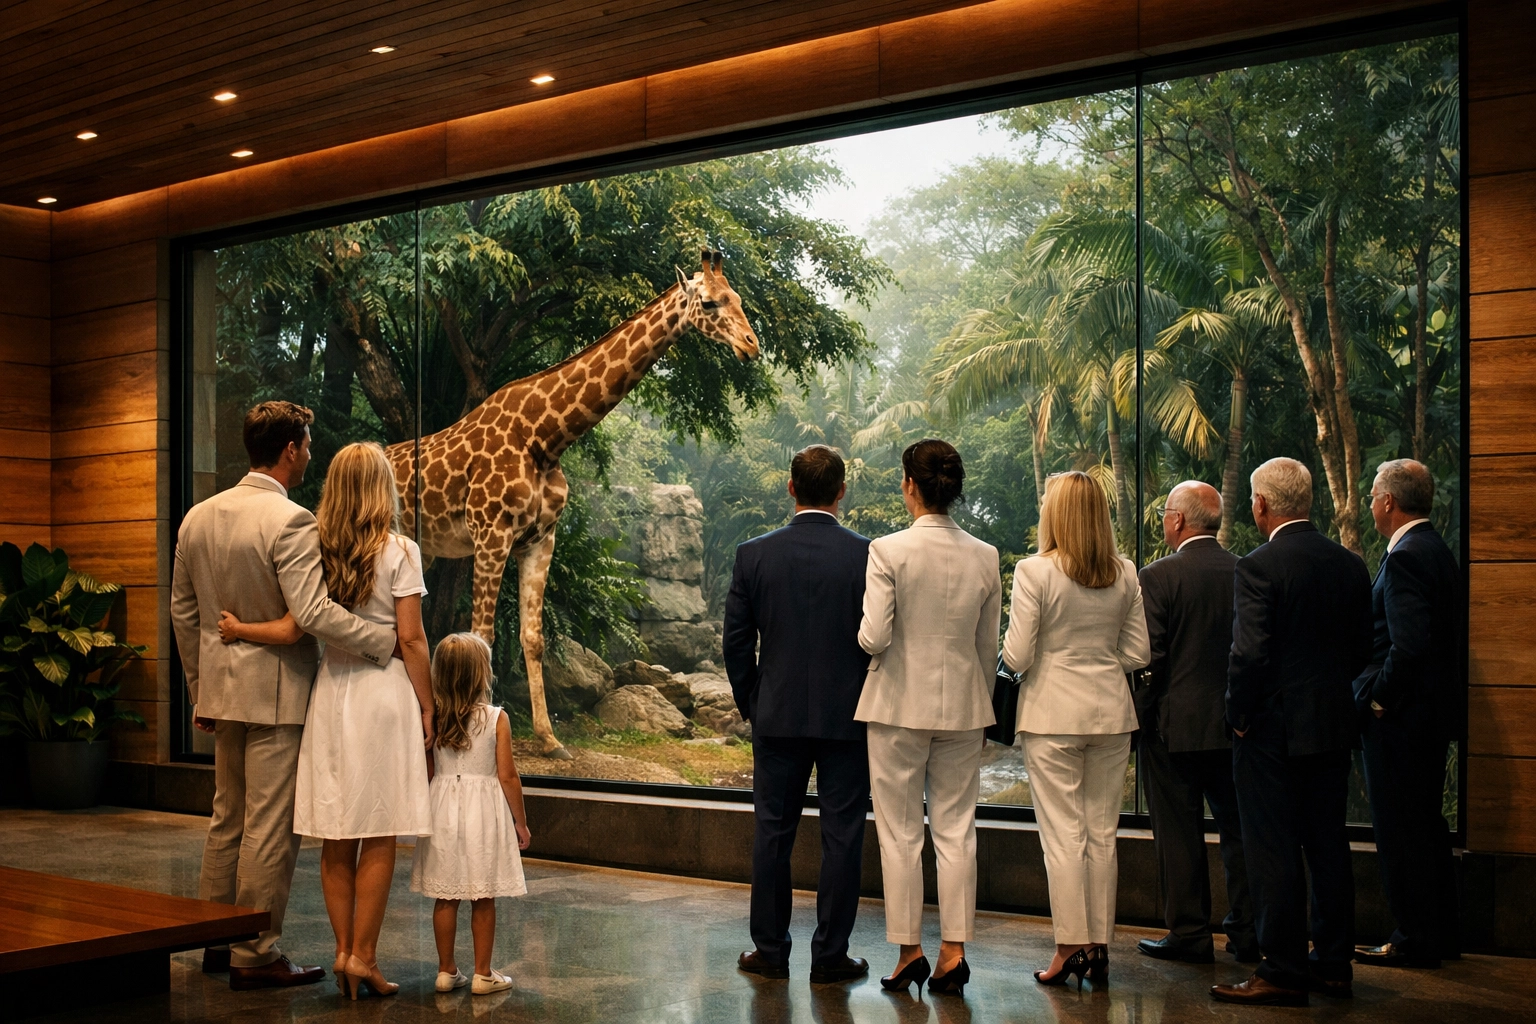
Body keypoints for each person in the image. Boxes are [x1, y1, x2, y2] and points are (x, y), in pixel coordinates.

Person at [170, 402, 398, 990]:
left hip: (220, 694)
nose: (310, 454)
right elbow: (314, 613)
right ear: (291, 448)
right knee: (269, 829)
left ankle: (213, 940)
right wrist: (383, 642)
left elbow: (185, 613)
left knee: (227, 821)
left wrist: (201, 690)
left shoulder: (197, 517)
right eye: (307, 444)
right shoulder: (291, 520)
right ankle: (256, 952)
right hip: (275, 697)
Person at [218, 441, 434, 999]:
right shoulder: (401, 551)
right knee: (380, 834)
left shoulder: (318, 549)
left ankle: (341, 954)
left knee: (338, 836)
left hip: (331, 695)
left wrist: (240, 629)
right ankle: (364, 956)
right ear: (382, 487)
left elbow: (299, 625)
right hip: (383, 697)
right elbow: (410, 638)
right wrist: (430, 707)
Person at [1211, 457, 1373, 1007]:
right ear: (1306, 501)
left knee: (1272, 849)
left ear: (1260, 504)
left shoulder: (1258, 565)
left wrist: (1238, 715)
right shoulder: (1350, 565)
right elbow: (1362, 650)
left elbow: (1249, 654)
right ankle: (1333, 965)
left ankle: (1280, 969)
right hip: (1330, 726)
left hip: (1270, 733)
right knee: (1328, 844)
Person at [723, 444, 873, 984]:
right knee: (843, 837)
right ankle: (831, 956)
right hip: (848, 718)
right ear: (840, 492)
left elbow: (736, 644)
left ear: (790, 488)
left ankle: (769, 950)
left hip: (777, 715)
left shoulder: (753, 554)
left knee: (772, 833)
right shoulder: (868, 555)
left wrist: (754, 702)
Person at [856, 438, 1001, 996]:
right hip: (965, 706)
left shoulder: (887, 550)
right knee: (957, 830)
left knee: (899, 835)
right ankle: (954, 951)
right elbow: (987, 649)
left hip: (896, 705)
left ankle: (908, 950)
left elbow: (874, 636)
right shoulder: (986, 555)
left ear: (910, 486)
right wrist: (978, 701)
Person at [1003, 470, 1150, 988]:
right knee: (1101, 836)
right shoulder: (1126, 572)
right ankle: (1099, 947)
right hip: (1111, 715)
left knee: (1062, 837)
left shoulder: (1033, 572)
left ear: (1055, 514)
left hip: (1051, 716)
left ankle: (1067, 949)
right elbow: (1137, 653)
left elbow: (1017, 655)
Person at [1135, 481, 1258, 965]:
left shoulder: (1159, 576)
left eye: (1165, 512)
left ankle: (1189, 933)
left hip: (1173, 730)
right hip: (1234, 729)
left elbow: (1150, 657)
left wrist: (1142, 723)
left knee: (1179, 834)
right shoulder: (1245, 570)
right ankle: (1248, 934)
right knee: (1240, 832)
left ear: (1178, 521)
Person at [1352, 459, 1461, 968]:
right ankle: (1438, 932)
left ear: (1389, 502)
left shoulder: (1406, 558)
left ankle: (1411, 938)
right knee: (1425, 826)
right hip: (1428, 719)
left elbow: (1409, 645)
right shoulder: (1437, 550)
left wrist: (1377, 698)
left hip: (1400, 722)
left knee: (1400, 830)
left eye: (1373, 495)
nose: (1371, 503)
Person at [411, 633, 533, 996]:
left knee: (445, 895)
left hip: (443, 809)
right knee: (483, 895)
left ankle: (446, 970)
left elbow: (429, 771)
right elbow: (508, 776)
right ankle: (483, 973)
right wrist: (520, 822)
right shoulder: (496, 718)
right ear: (482, 674)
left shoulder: (435, 717)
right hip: (484, 814)